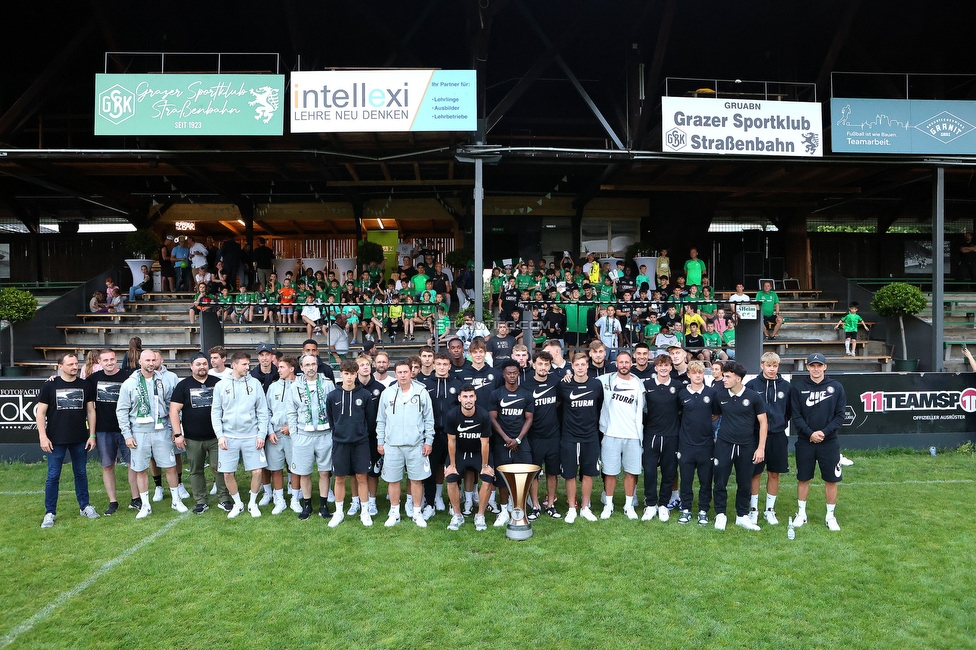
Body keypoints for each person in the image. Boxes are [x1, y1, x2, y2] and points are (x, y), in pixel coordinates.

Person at [117, 349, 187, 519]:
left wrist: (174, 430)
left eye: (153, 360)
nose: (150, 363)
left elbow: (173, 406)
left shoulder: (163, 381)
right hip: (139, 432)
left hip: (162, 430)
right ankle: (146, 505)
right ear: (140, 362)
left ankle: (176, 500)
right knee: (141, 469)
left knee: (170, 466)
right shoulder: (129, 383)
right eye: (147, 360)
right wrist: (127, 434)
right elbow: (122, 410)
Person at [36, 353, 99, 528]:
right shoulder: (50, 385)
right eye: (70, 364)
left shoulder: (85, 385)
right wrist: (43, 436)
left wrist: (92, 435)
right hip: (55, 440)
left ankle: (85, 506)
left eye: (76, 363)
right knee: (53, 476)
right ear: (60, 366)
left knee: (80, 473)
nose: (74, 367)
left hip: (80, 438)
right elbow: (40, 413)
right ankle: (50, 512)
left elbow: (91, 411)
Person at [376, 360, 436, 528]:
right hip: (392, 445)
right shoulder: (387, 393)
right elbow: (381, 420)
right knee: (393, 480)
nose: (402, 375)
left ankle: (417, 513)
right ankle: (394, 512)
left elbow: (429, 419)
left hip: (415, 444)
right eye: (399, 372)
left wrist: (428, 441)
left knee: (416, 480)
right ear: (395, 374)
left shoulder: (421, 392)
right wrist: (381, 442)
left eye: (405, 372)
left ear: (411, 373)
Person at [791, 353, 846, 531]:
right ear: (807, 367)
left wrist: (823, 432)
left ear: (825, 367)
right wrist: (810, 433)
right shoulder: (799, 388)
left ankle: (830, 516)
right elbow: (796, 416)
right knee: (803, 478)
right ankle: (801, 514)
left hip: (829, 442)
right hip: (805, 442)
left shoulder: (836, 387)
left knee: (831, 479)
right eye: (812, 366)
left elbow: (840, 416)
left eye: (819, 365)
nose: (816, 369)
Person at [212, 352, 269, 519]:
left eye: (248, 364)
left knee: (258, 471)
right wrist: (220, 435)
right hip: (228, 436)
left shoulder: (255, 384)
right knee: (228, 473)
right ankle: (238, 503)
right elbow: (215, 412)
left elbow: (262, 411)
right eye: (244, 364)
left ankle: (252, 502)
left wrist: (261, 434)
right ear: (234, 365)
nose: (247, 367)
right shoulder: (221, 385)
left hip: (251, 435)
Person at [170, 352, 228, 514]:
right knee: (196, 470)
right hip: (193, 438)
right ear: (191, 367)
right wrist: (177, 434)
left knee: (220, 468)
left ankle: (224, 499)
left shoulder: (218, 383)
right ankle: (201, 501)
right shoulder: (183, 385)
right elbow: (174, 410)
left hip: (217, 437)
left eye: (204, 363)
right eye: (198, 364)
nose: (202, 366)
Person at [713, 362, 767, 531]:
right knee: (720, 480)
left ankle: (742, 516)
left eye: (727, 376)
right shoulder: (719, 395)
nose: (724, 379)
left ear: (738, 378)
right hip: (724, 444)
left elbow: (763, 422)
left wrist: (761, 448)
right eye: (724, 375)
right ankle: (720, 514)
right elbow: (714, 416)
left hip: (747, 446)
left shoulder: (753, 397)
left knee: (744, 482)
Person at [325, 360, 377, 527]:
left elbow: (370, 421)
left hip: (360, 443)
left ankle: (365, 512)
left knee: (362, 477)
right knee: (339, 478)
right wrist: (340, 433)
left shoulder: (365, 395)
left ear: (356, 374)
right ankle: (339, 512)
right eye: (346, 374)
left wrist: (360, 433)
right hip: (340, 443)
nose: (349, 377)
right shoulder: (332, 396)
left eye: (352, 374)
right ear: (341, 374)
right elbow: (331, 420)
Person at [286, 353, 338, 521]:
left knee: (324, 472)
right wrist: (294, 435)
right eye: (307, 365)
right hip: (303, 436)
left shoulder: (328, 385)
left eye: (313, 364)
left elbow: (334, 409)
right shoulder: (294, 387)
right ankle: (307, 505)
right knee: (304, 473)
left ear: (317, 365)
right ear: (301, 368)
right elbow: (291, 412)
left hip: (324, 435)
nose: (311, 368)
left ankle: (323, 505)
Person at [88, 348, 137, 515]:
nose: (109, 363)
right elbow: (74, 384)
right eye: (105, 360)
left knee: (133, 464)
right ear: (99, 363)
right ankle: (113, 501)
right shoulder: (93, 379)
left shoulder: (127, 377)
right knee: (107, 465)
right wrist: (53, 378)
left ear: (115, 359)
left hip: (127, 429)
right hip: (103, 430)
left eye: (111, 359)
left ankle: (136, 498)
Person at [745, 352, 792, 526]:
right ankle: (753, 510)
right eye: (769, 365)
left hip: (778, 436)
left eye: (775, 366)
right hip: (756, 436)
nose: (772, 369)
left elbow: (788, 412)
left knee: (774, 473)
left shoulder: (786, 387)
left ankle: (770, 510)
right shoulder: (751, 385)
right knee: (755, 473)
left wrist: (778, 424)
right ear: (762, 365)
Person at [597, 350, 643, 521]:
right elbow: (584, 380)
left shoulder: (638, 383)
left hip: (633, 435)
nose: (624, 365)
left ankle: (628, 505)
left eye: (626, 362)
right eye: (620, 362)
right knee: (610, 472)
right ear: (616, 364)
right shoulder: (606, 381)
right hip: (611, 433)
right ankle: (608, 505)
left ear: (631, 364)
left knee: (631, 472)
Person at [487, 360, 535, 527]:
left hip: (522, 442)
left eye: (515, 373)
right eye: (509, 373)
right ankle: (503, 511)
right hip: (502, 443)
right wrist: (506, 438)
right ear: (504, 374)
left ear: (518, 373)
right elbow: (492, 418)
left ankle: (519, 508)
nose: (512, 376)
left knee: (522, 477)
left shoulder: (526, 394)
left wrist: (519, 439)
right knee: (502, 479)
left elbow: (529, 419)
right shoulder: (496, 394)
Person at [557, 352, 604, 523]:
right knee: (569, 474)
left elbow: (599, 407)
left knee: (588, 473)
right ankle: (571, 508)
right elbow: (557, 405)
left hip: (590, 435)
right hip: (569, 435)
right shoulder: (564, 385)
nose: (580, 368)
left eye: (583, 364)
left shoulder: (596, 385)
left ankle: (585, 507)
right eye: (577, 365)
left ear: (587, 365)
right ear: (572, 366)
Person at [443, 385, 494, 531]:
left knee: (487, 478)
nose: (468, 400)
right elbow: (451, 441)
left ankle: (480, 515)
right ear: (459, 398)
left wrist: (484, 466)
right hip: (460, 452)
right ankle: (457, 515)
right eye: (465, 397)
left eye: (471, 396)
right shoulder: (453, 415)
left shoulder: (483, 415)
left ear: (475, 397)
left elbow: (485, 442)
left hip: (478, 452)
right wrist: (452, 464)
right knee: (451, 477)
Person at [676, 360, 720, 526]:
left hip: (706, 445)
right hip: (686, 444)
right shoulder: (682, 394)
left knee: (705, 481)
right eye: (694, 373)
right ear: (688, 375)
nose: (697, 376)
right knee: (686, 480)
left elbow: (715, 414)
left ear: (704, 374)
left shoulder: (711, 393)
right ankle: (686, 509)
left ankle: (703, 510)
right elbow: (679, 413)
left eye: (700, 373)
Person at [419, 352, 463, 515]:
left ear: (450, 366)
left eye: (445, 364)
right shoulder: (424, 384)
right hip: (432, 434)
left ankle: (454, 504)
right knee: (430, 470)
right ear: (434, 365)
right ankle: (430, 503)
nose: (442, 367)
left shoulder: (458, 383)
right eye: (439, 364)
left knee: (454, 468)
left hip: (452, 435)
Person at [640, 354, 682, 521]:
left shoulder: (678, 386)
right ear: (655, 368)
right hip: (651, 435)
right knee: (650, 471)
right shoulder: (647, 385)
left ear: (671, 367)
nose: (663, 368)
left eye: (666, 365)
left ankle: (663, 505)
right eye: (660, 366)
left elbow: (681, 409)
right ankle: (650, 504)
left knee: (669, 471)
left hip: (671, 435)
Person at [266, 356, 301, 514]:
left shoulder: (300, 386)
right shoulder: (273, 387)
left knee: (295, 468)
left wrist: (292, 427)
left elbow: (304, 411)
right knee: (275, 469)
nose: (278, 370)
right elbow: (266, 411)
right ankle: (279, 500)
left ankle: (295, 498)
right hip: (275, 434)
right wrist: (270, 431)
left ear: (291, 368)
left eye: (281, 367)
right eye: (278, 367)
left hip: (294, 433)